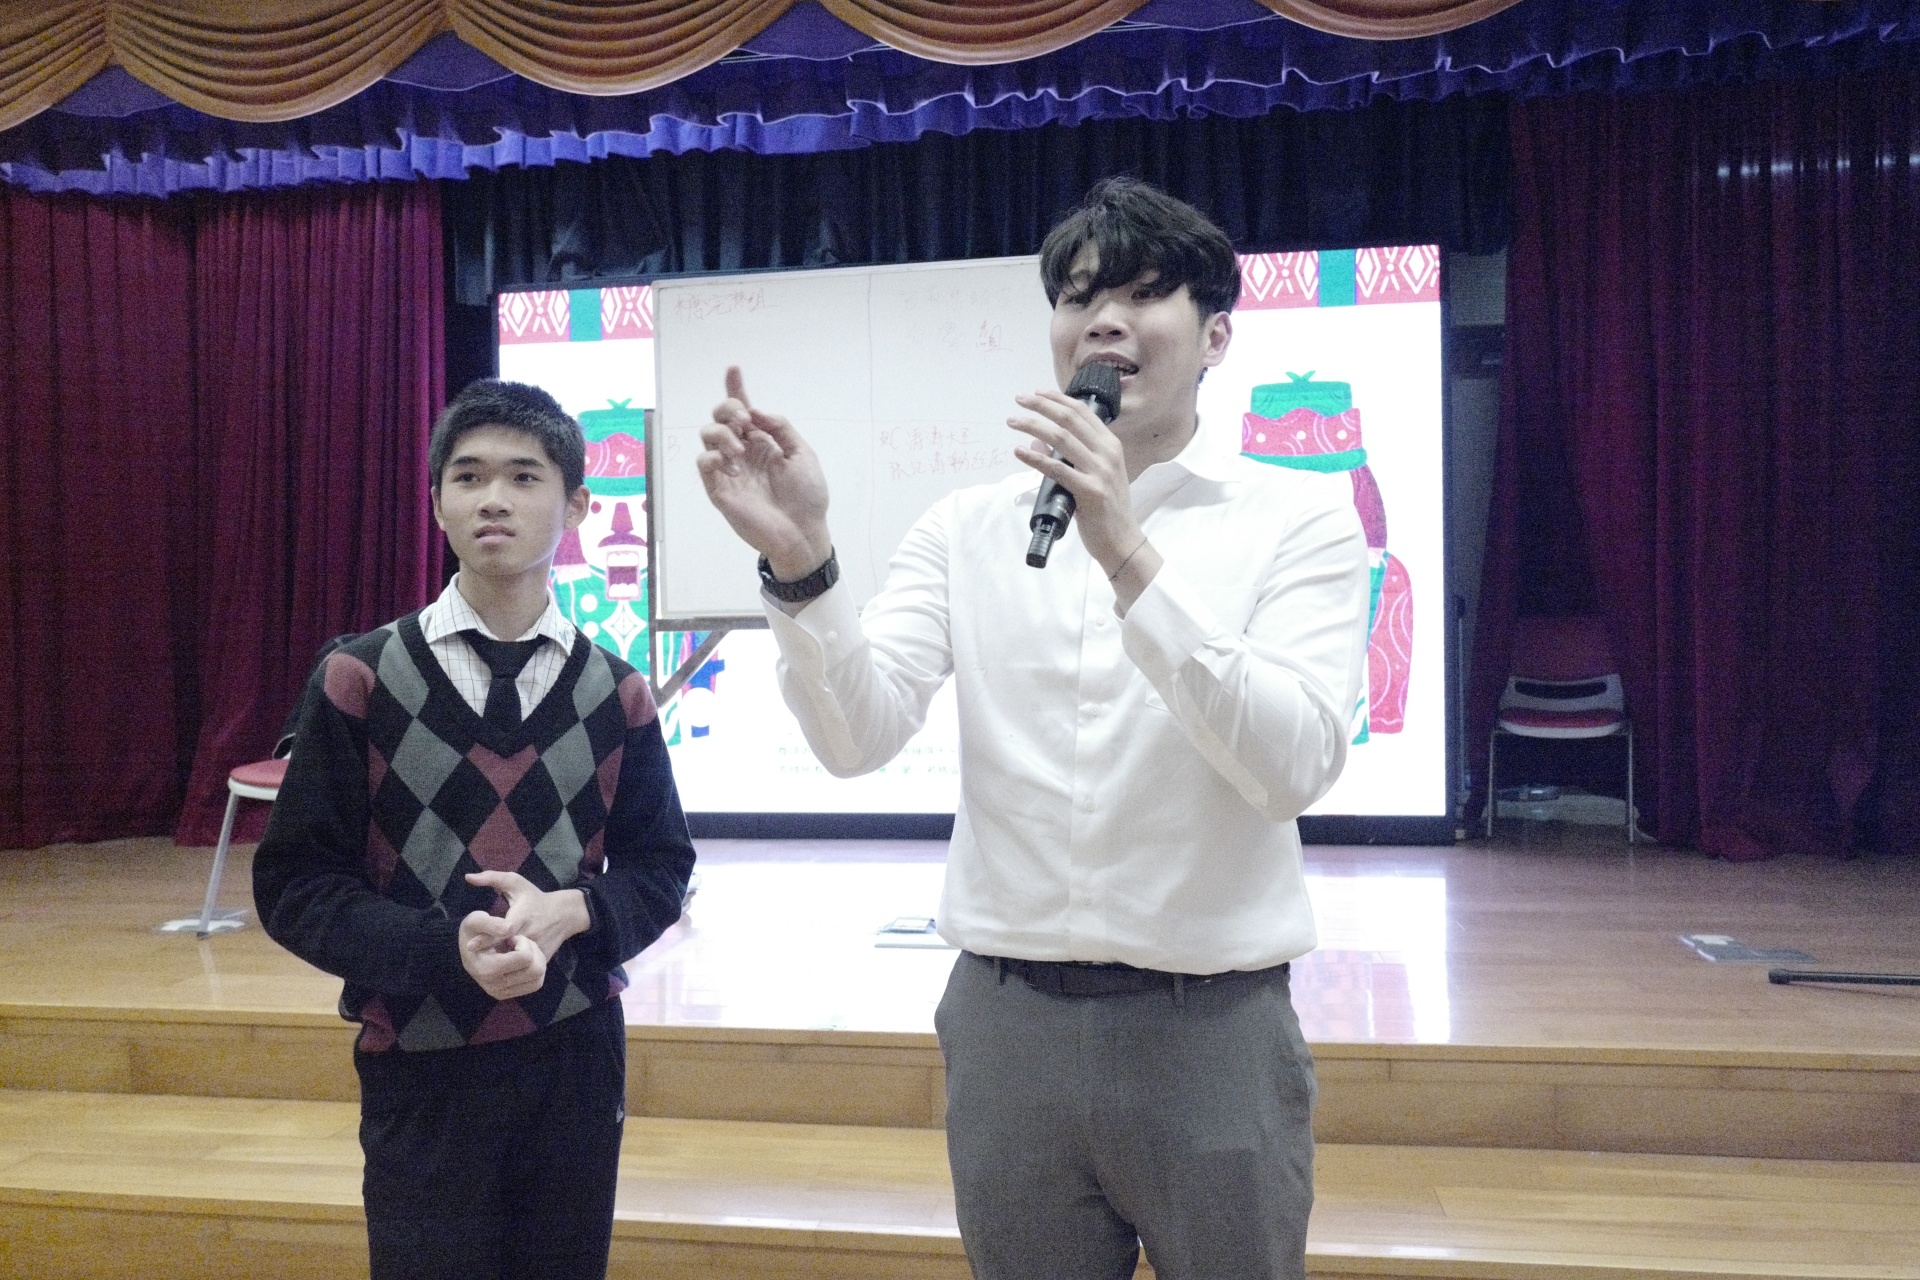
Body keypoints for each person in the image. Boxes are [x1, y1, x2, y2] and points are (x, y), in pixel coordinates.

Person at [696, 177, 1372, 1280]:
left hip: (1211, 1026)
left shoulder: (1297, 521)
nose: (1103, 321)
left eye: (1143, 293)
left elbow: (1291, 763)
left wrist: (1127, 552)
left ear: (1216, 335)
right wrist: (801, 559)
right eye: (1077, 297)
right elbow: (856, 737)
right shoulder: (967, 527)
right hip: (1009, 1023)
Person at [254, 379, 696, 1280]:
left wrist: (574, 912)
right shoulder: (358, 678)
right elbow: (295, 886)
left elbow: (660, 867)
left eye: (525, 477)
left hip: (575, 1055)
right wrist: (440, 946)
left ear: (577, 506)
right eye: (468, 476)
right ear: (437, 504)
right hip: (420, 1056)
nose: (494, 497)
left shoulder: (619, 692)